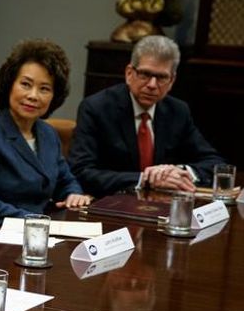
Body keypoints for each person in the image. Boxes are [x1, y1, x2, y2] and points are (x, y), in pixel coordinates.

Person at [70, 35, 225, 197]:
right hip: (112, 203)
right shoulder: (97, 108)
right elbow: (81, 171)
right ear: (129, 73)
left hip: (162, 207)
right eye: (145, 74)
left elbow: (216, 164)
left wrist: (180, 172)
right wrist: (145, 179)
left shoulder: (178, 111)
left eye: (161, 77)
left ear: (172, 80)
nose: (152, 85)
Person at [0, 39, 92, 228]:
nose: (33, 95)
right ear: (9, 85)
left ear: (55, 96)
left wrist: (74, 194)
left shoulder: (47, 133)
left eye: (44, 89)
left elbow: (66, 180)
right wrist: (39, 222)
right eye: (26, 84)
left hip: (40, 235)